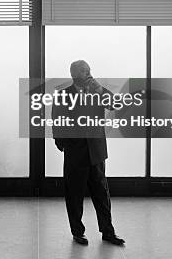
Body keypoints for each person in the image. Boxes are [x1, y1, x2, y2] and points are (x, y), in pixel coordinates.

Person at [52, 60, 125, 246]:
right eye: (85, 71)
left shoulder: (97, 92)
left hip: (96, 151)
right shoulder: (62, 95)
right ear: (74, 74)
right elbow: (57, 123)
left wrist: (99, 90)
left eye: (89, 70)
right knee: (74, 194)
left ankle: (108, 232)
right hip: (75, 153)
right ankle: (77, 232)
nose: (89, 74)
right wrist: (64, 146)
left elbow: (115, 104)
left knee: (102, 193)